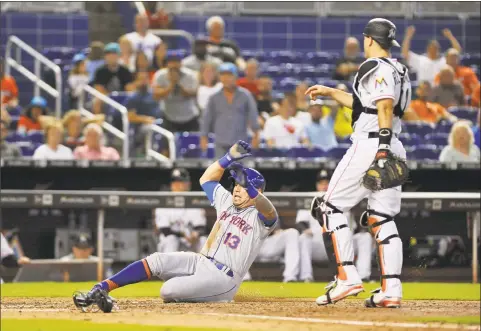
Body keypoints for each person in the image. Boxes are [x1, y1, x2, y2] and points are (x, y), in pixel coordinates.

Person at [73, 140, 278, 311]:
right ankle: (101, 288)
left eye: (243, 186)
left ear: (257, 191)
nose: (236, 190)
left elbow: (270, 212)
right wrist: (228, 158)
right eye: (236, 185)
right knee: (157, 260)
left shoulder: (259, 218)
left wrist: (250, 189)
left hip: (225, 279)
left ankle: (204, 296)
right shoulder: (226, 201)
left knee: (168, 290)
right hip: (201, 261)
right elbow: (206, 179)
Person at [305, 18, 411, 308]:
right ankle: (391, 290)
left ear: (367, 39)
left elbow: (385, 105)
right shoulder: (399, 69)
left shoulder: (373, 66)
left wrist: (382, 149)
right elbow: (366, 104)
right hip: (393, 144)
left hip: (373, 143)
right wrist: (330, 92)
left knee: (328, 207)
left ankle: (347, 276)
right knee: (381, 218)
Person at [297, 170, 374, 283]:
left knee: (365, 237)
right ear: (316, 185)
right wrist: (304, 229)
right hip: (318, 245)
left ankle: (363, 276)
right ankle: (306, 277)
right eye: (321, 183)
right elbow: (300, 222)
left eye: (327, 183)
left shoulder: (344, 201)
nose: (324, 186)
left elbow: (355, 228)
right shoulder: (310, 200)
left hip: (342, 247)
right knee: (304, 238)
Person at [201, 63, 260, 158]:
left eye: (229, 75)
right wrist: (204, 137)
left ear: (235, 76)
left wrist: (256, 135)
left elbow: (253, 115)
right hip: (220, 142)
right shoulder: (214, 98)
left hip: (240, 143)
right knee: (220, 171)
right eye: (223, 75)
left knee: (240, 171)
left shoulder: (245, 95)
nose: (226, 78)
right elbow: (207, 118)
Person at [154, 169, 207, 253]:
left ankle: (206, 265)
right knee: (171, 240)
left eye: (181, 181)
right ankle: (168, 266)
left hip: (189, 243)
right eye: (175, 181)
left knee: (203, 240)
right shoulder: (163, 202)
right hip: (170, 244)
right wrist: (183, 235)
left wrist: (195, 234)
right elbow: (165, 230)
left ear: (189, 184)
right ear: (171, 184)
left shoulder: (194, 202)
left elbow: (200, 228)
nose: (177, 184)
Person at [152, 53, 199, 132]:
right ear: (167, 63)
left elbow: (194, 94)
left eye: (177, 62)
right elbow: (156, 96)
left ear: (181, 63)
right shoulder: (160, 75)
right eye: (171, 62)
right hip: (169, 117)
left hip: (189, 116)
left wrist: (178, 84)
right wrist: (171, 85)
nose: (174, 65)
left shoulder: (190, 75)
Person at [125, 71, 160, 157]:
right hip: (140, 128)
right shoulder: (132, 97)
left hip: (158, 123)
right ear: (136, 81)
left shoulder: (155, 94)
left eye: (145, 79)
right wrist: (146, 119)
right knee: (149, 129)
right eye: (141, 79)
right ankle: (150, 156)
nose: (143, 81)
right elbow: (130, 117)